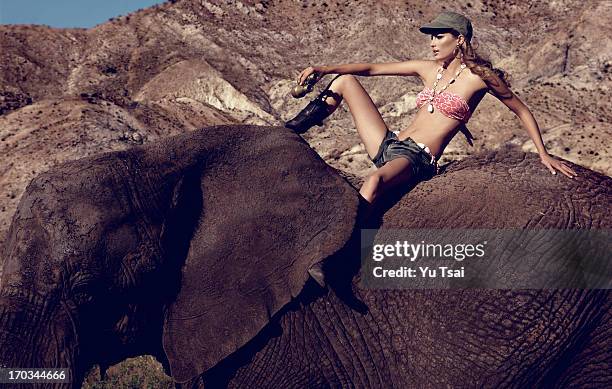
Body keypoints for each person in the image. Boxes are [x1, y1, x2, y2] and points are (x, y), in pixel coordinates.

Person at [285, 11, 577, 206]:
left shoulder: (481, 78)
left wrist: (543, 154)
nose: (432, 43)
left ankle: (343, 252)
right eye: (432, 37)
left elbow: (522, 110)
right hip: (389, 143)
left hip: (417, 158)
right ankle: (290, 132)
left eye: (439, 36)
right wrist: (324, 68)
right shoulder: (428, 69)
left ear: (459, 40)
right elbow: (372, 68)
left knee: (372, 180)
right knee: (346, 81)